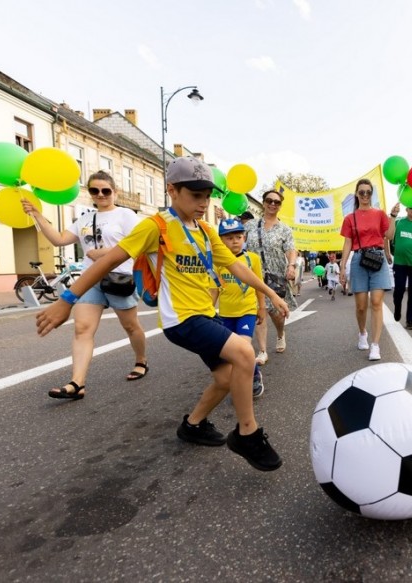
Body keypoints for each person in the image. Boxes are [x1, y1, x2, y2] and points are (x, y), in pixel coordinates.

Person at [35, 157, 288, 472]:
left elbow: (236, 265)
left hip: (206, 314)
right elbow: (108, 260)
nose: (202, 202)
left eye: (206, 196)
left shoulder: (206, 231)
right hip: (181, 319)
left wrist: (272, 294)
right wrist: (67, 299)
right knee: (244, 352)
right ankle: (247, 434)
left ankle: (193, 425)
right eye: (195, 195)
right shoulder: (156, 226)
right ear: (172, 190)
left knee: (225, 379)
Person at [21, 171, 147, 400]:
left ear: (115, 192)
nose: (100, 195)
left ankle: (141, 360)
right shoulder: (85, 219)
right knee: (82, 328)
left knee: (130, 326)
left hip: (119, 277)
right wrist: (37, 215)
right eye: (94, 191)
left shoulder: (125, 215)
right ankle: (77, 383)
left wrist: (103, 253)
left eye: (105, 190)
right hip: (90, 280)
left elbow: (138, 245)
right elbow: (59, 240)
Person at [338, 178, 395, 361]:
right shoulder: (350, 218)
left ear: (372, 194)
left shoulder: (380, 214)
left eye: (368, 192)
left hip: (377, 259)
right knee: (361, 306)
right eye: (361, 192)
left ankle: (375, 345)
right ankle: (363, 332)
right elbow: (347, 242)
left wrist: (392, 217)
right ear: (357, 194)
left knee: (377, 302)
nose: (364, 195)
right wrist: (342, 266)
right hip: (359, 260)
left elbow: (389, 236)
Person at [245, 189, 298, 366]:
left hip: (275, 276)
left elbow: (291, 249)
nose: (273, 204)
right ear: (263, 202)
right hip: (254, 275)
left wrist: (291, 266)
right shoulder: (250, 226)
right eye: (269, 200)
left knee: (277, 314)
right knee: (261, 310)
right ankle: (262, 350)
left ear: (280, 205)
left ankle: (281, 334)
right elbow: (238, 242)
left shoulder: (284, 229)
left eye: (277, 202)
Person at [215, 218, 266, 399]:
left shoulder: (252, 259)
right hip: (226, 313)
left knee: (244, 346)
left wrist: (262, 307)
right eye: (229, 238)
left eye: (238, 236)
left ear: (244, 237)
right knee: (231, 352)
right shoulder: (217, 261)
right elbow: (214, 289)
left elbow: (259, 284)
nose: (235, 241)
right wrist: (208, 311)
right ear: (220, 240)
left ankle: (253, 377)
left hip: (247, 310)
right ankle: (246, 374)